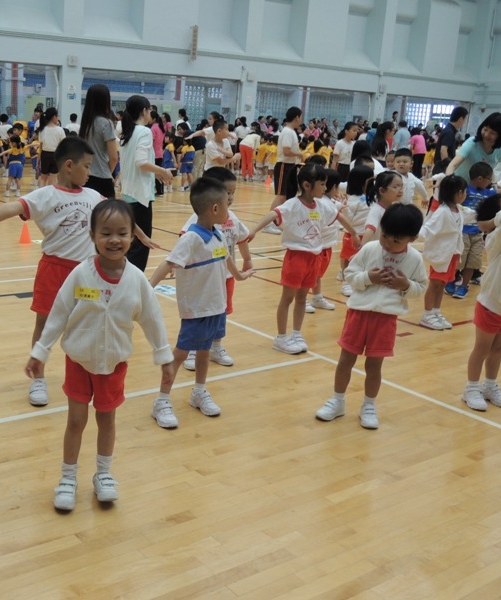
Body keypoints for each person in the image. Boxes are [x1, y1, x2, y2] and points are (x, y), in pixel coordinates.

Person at [0, 138, 152, 406]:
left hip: (85, 274)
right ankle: (38, 378)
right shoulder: (45, 195)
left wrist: (142, 236)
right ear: (69, 165)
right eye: (86, 166)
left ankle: (87, 371)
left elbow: (120, 214)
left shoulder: (93, 196)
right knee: (44, 324)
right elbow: (12, 208)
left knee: (88, 322)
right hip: (54, 270)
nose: (89, 172)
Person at [26, 200, 173, 511]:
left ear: (133, 236)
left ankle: (103, 475)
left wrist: (164, 357)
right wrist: (40, 351)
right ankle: (68, 478)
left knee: (107, 420)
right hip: (78, 362)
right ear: (92, 235)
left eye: (122, 233)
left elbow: (153, 319)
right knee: (76, 420)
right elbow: (58, 313)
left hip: (113, 366)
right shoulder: (81, 274)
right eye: (106, 233)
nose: (114, 240)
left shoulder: (137, 280)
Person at [148, 178, 253, 428]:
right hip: (196, 310)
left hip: (217, 307)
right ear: (215, 209)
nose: (229, 207)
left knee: (204, 351)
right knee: (180, 355)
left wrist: (239, 276)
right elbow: (169, 263)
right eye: (226, 203)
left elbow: (226, 258)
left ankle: (199, 391)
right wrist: (146, 288)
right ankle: (162, 400)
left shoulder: (218, 234)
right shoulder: (191, 239)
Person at [315, 204, 426, 429]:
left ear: (412, 239)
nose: (388, 243)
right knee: (345, 360)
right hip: (358, 314)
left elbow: (421, 288)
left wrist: (406, 285)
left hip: (386, 320)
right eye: (385, 236)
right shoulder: (370, 249)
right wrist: (368, 278)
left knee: (374, 366)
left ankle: (369, 405)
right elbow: (350, 274)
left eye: (396, 241)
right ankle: (337, 400)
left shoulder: (415, 259)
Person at [250, 164, 359, 355]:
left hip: (313, 258)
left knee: (302, 298)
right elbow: (273, 214)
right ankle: (281, 337)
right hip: (296, 258)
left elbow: (339, 217)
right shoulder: (293, 204)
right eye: (322, 184)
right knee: (287, 298)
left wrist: (354, 233)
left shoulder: (322, 205)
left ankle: (296, 333)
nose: (325, 188)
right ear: (307, 185)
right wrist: (253, 231)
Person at [180, 167, 253, 372]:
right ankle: (193, 350)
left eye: (233, 193)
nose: (230, 197)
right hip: (204, 279)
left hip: (226, 276)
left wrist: (247, 260)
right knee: (199, 314)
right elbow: (184, 242)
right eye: (227, 192)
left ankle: (215, 346)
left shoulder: (232, 218)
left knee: (221, 312)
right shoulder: (197, 220)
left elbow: (242, 238)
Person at [118, 95, 173, 271]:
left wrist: (155, 174)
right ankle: (133, 282)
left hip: (128, 193)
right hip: (139, 196)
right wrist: (162, 171)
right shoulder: (143, 131)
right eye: (149, 110)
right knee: (140, 249)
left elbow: (135, 163)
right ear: (144, 111)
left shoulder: (127, 132)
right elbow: (141, 162)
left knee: (131, 246)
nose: (150, 113)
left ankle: (125, 280)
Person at [462, 193, 501, 411]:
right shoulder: (495, 238)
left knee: (498, 349)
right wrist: (492, 222)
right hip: (491, 304)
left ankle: (489, 385)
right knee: (482, 349)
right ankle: (471, 388)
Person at [419, 175, 467, 330]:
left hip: (452, 253)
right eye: (465, 191)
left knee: (442, 284)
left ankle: (436, 311)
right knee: (434, 284)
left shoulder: (458, 209)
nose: (466, 194)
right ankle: (427, 315)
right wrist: (412, 235)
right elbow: (428, 228)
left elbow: (471, 215)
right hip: (441, 254)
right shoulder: (442, 212)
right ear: (459, 193)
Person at [450, 162, 496, 299]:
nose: (490, 182)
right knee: (459, 260)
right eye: (489, 179)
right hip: (463, 232)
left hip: (478, 234)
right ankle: (451, 280)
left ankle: (464, 286)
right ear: (480, 179)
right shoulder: (465, 191)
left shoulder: (489, 193)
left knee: (473, 262)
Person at [306, 168, 342, 313]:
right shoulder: (322, 203)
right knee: (310, 275)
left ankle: (317, 297)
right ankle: (302, 299)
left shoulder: (329, 202)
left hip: (326, 246)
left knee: (317, 274)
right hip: (317, 247)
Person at [266, 107, 305, 234]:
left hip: (290, 166)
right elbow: (286, 151)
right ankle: (268, 224)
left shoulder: (291, 131)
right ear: (297, 117)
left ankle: (279, 222)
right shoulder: (288, 132)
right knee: (281, 196)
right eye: (301, 117)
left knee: (288, 197)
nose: (301, 120)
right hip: (284, 165)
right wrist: (300, 154)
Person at [337, 165, 375, 297]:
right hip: (354, 235)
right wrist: (344, 209)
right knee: (349, 259)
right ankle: (346, 283)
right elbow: (349, 220)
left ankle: (360, 281)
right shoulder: (353, 199)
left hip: (368, 235)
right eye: (370, 179)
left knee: (365, 260)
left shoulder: (372, 197)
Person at [445, 112, 501, 182]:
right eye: (485, 129)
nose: (486, 134)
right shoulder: (472, 143)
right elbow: (453, 165)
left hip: (479, 186)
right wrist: (449, 182)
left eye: (492, 133)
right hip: (459, 184)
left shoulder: (500, 150)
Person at [360, 170, 404, 247]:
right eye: (395, 187)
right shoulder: (376, 210)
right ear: (382, 191)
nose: (401, 190)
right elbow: (370, 230)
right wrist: (362, 249)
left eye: (401, 186)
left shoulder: (395, 208)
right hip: (376, 250)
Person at [34, 107, 66, 188]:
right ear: (54, 116)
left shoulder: (42, 130)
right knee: (53, 178)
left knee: (43, 177)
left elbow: (41, 146)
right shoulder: (60, 130)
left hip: (44, 155)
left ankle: (41, 194)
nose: (58, 118)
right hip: (56, 155)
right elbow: (63, 145)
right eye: (57, 116)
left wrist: (39, 159)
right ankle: (51, 195)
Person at [434, 106, 469, 174]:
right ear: (461, 119)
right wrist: (447, 168)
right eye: (465, 119)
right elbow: (443, 150)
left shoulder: (448, 130)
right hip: (442, 169)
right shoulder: (449, 132)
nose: (464, 122)